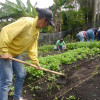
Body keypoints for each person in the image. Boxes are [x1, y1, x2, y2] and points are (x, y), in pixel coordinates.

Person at [0, 8, 54, 100]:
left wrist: (35, 62)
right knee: (7, 81)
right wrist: (4, 52)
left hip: (15, 53)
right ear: (44, 20)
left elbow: (32, 47)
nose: (47, 26)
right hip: (4, 52)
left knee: (21, 75)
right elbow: (6, 30)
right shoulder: (26, 23)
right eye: (48, 23)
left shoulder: (36, 30)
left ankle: (16, 98)